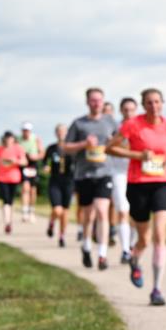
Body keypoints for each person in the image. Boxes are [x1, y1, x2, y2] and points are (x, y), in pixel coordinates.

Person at [106, 88, 166, 306]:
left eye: (157, 102)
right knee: (144, 239)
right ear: (143, 105)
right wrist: (137, 155)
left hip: (162, 182)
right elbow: (110, 148)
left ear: (163, 103)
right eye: (149, 102)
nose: (153, 106)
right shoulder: (132, 125)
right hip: (138, 184)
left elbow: (164, 150)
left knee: (160, 234)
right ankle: (134, 260)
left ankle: (157, 289)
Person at [64, 88, 118, 270]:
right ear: (87, 102)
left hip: (104, 173)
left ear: (103, 102)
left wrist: (112, 142)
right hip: (84, 174)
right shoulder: (79, 123)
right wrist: (83, 144)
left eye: (99, 100)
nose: (96, 103)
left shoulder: (110, 122)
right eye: (93, 100)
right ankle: (86, 246)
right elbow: (66, 147)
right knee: (89, 214)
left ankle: (102, 254)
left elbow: (123, 141)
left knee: (102, 211)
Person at [108, 98, 137, 263]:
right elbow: (108, 148)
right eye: (125, 110)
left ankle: (131, 245)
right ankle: (125, 249)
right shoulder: (115, 128)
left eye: (131, 110)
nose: (128, 113)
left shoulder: (141, 127)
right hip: (119, 172)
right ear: (121, 111)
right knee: (122, 210)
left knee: (136, 213)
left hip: (138, 173)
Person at [43, 123, 75, 247]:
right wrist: (46, 167)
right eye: (59, 131)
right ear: (56, 133)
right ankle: (51, 223)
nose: (61, 133)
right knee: (57, 210)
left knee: (65, 211)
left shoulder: (72, 148)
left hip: (69, 182)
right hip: (55, 181)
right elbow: (45, 162)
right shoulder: (51, 148)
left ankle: (62, 236)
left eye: (63, 131)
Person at [0, 131, 27, 234]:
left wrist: (15, 161)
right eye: (6, 138)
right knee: (6, 200)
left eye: (10, 138)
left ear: (13, 139)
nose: (8, 140)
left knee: (11, 201)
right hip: (1, 178)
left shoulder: (18, 148)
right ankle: (7, 222)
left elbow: (24, 162)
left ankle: (9, 221)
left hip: (14, 178)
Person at [19, 122, 45, 223]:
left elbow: (42, 153)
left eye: (27, 130)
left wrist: (35, 157)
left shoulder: (36, 139)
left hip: (33, 165)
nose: (26, 132)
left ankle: (31, 211)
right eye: (24, 130)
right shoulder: (19, 140)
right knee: (25, 188)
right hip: (24, 165)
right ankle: (24, 212)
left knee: (33, 190)